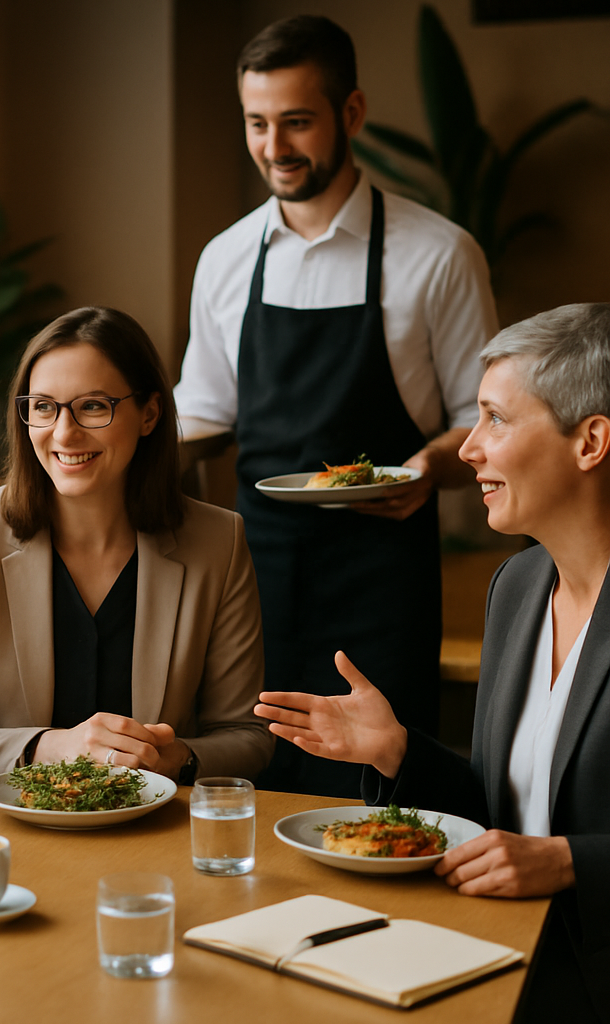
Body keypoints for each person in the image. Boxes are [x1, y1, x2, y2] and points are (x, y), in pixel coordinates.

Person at [255, 303, 610, 1023]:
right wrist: (398, 753)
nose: (470, 448)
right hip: (499, 950)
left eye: (496, 419)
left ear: (591, 441)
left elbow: (547, 844)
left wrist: (573, 861)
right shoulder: (517, 588)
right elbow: (501, 815)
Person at [174, 14, 499, 797]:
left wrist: (425, 467)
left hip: (383, 581)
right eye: (257, 124)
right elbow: (202, 419)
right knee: (262, 781)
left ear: (351, 114)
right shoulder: (225, 259)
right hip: (256, 579)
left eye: (296, 122)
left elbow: (485, 423)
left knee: (385, 802)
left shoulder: (438, 254)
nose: (274, 147)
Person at [0, 306, 273, 782]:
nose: (63, 433)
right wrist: (49, 746)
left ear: (149, 414)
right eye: (43, 406)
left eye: (94, 406)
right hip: (14, 829)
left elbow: (247, 737)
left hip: (157, 836)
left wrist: (178, 756)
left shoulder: (217, 541)